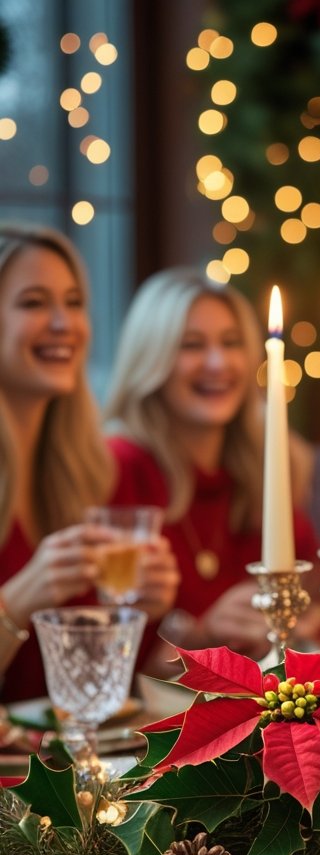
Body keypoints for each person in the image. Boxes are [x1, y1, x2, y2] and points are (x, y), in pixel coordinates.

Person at [106, 267, 320, 662]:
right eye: (192, 345)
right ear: (151, 359)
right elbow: (103, 650)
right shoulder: (119, 467)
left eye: (231, 342)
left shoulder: (270, 464)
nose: (218, 362)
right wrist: (202, 634)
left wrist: (295, 625)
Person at [0, 223, 178, 702]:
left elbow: (95, 692)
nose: (64, 324)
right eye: (34, 303)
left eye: (74, 303)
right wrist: (15, 604)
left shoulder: (95, 473)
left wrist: (143, 613)